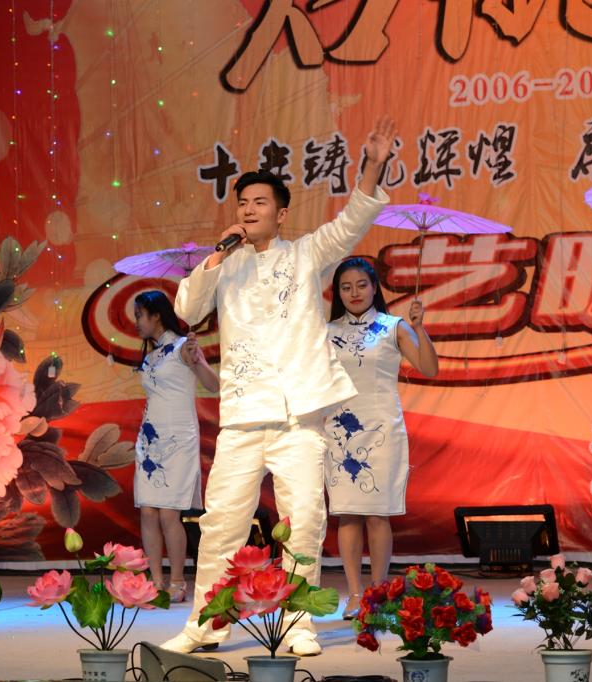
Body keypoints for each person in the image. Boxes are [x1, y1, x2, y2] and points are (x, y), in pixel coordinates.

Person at [161, 116, 396, 656]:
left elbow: (352, 222)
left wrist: (372, 167)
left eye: (260, 202)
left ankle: (298, 624)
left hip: (299, 416)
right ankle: (205, 624)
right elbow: (187, 310)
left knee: (305, 520)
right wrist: (216, 255)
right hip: (244, 416)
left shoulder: (305, 254)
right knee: (222, 523)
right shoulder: (223, 265)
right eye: (243, 202)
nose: (249, 209)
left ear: (281, 212)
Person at [325, 258, 438, 619]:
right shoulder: (325, 332)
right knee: (347, 514)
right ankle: (354, 594)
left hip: (382, 429)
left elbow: (429, 368)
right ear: (338, 293)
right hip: (340, 430)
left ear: (375, 287)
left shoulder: (393, 327)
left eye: (362, 285)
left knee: (377, 515)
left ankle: (378, 593)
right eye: (346, 287)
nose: (354, 293)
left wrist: (419, 328)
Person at [133, 290, 219, 603]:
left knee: (169, 514)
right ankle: (156, 582)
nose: (136, 323)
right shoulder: (151, 356)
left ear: (157, 315)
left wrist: (198, 359)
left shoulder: (184, 346)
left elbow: (213, 385)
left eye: (140, 315)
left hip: (179, 439)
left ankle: (178, 581)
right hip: (149, 440)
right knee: (148, 512)